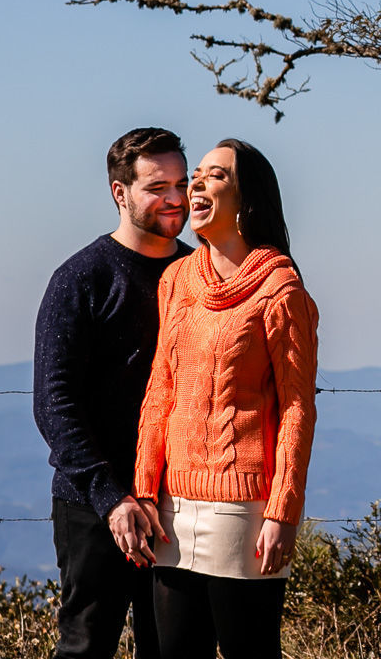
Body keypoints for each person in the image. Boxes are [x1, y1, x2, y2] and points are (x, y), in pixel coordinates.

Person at [134, 139, 319, 659]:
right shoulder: (176, 281)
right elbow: (159, 393)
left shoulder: (280, 290)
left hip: (245, 511)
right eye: (196, 175)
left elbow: (296, 408)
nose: (195, 184)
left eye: (214, 176)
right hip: (172, 505)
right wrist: (146, 490)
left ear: (247, 199)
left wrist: (283, 510)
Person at [35, 127, 194, 659]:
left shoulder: (202, 275)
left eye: (181, 182)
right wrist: (112, 498)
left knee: (176, 649)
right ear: (119, 193)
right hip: (95, 504)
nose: (175, 198)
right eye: (157, 187)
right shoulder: (80, 279)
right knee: (85, 647)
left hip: (183, 502)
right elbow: (54, 404)